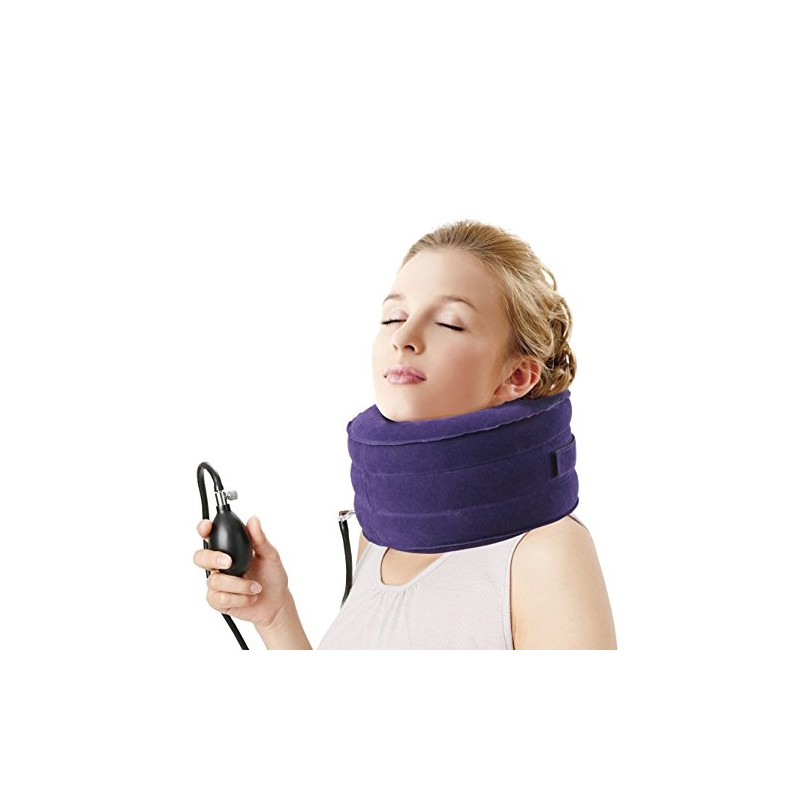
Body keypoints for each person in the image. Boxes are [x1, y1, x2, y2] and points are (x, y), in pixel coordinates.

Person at [193, 220, 617, 649]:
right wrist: (275, 615)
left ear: (517, 376)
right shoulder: (379, 540)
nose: (404, 337)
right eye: (393, 316)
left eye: (449, 323)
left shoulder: (547, 553)